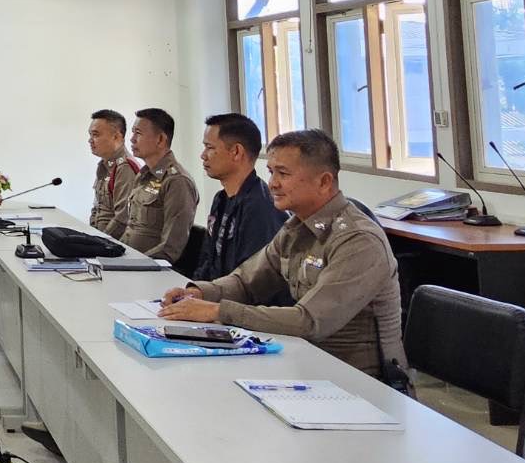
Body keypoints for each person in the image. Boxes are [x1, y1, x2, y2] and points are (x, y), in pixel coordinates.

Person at [160, 129, 407, 379]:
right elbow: (247, 282)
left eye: (283, 174)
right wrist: (200, 293)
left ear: (324, 182)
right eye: (271, 172)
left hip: (357, 381)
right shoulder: (296, 228)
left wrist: (217, 311)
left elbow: (309, 322)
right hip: (303, 362)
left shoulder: (358, 240)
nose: (272, 184)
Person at [194, 113, 287, 282]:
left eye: (210, 148)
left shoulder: (260, 207)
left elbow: (255, 280)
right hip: (215, 292)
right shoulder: (221, 199)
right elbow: (207, 261)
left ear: (236, 152)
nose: (203, 155)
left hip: (237, 296)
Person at [124, 107, 198, 261]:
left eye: (138, 133)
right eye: (133, 132)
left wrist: (131, 266)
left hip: (149, 268)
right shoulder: (144, 175)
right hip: (128, 260)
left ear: (160, 140)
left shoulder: (177, 182)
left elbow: (169, 248)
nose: (132, 139)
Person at [88, 108, 140, 237]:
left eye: (95, 135)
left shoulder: (125, 168)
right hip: (100, 238)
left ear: (116, 137)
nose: (90, 140)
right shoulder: (104, 166)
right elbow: (97, 209)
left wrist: (100, 241)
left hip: (113, 243)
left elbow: (122, 219)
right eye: (90, 135)